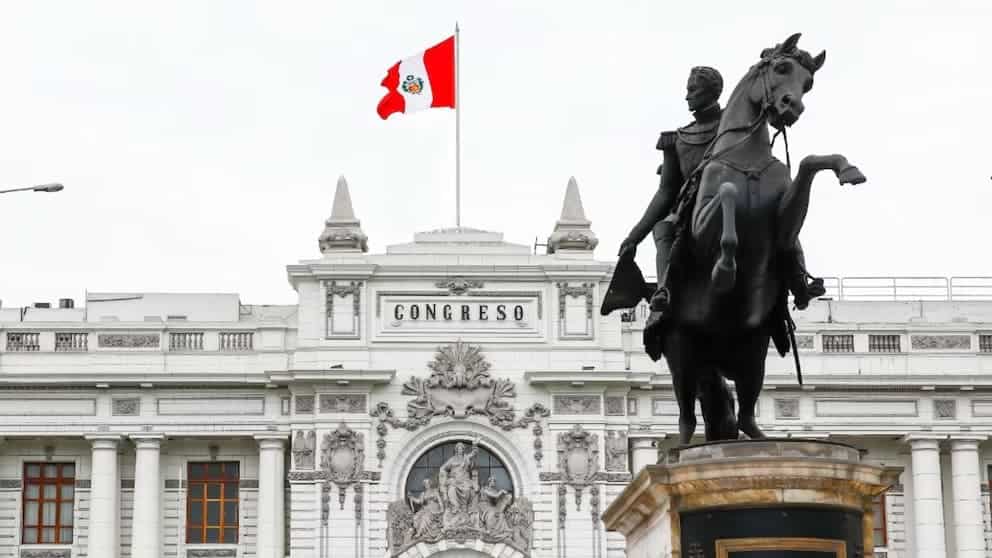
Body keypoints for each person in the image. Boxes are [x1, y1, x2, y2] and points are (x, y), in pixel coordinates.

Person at [618, 66, 823, 316]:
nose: (687, 96)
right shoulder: (677, 139)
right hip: (693, 206)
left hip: (747, 192)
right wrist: (633, 237)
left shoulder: (739, 123)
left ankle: (799, 279)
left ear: (712, 91)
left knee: (780, 217)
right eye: (688, 90)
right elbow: (666, 192)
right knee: (663, 228)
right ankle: (664, 290)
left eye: (693, 90)